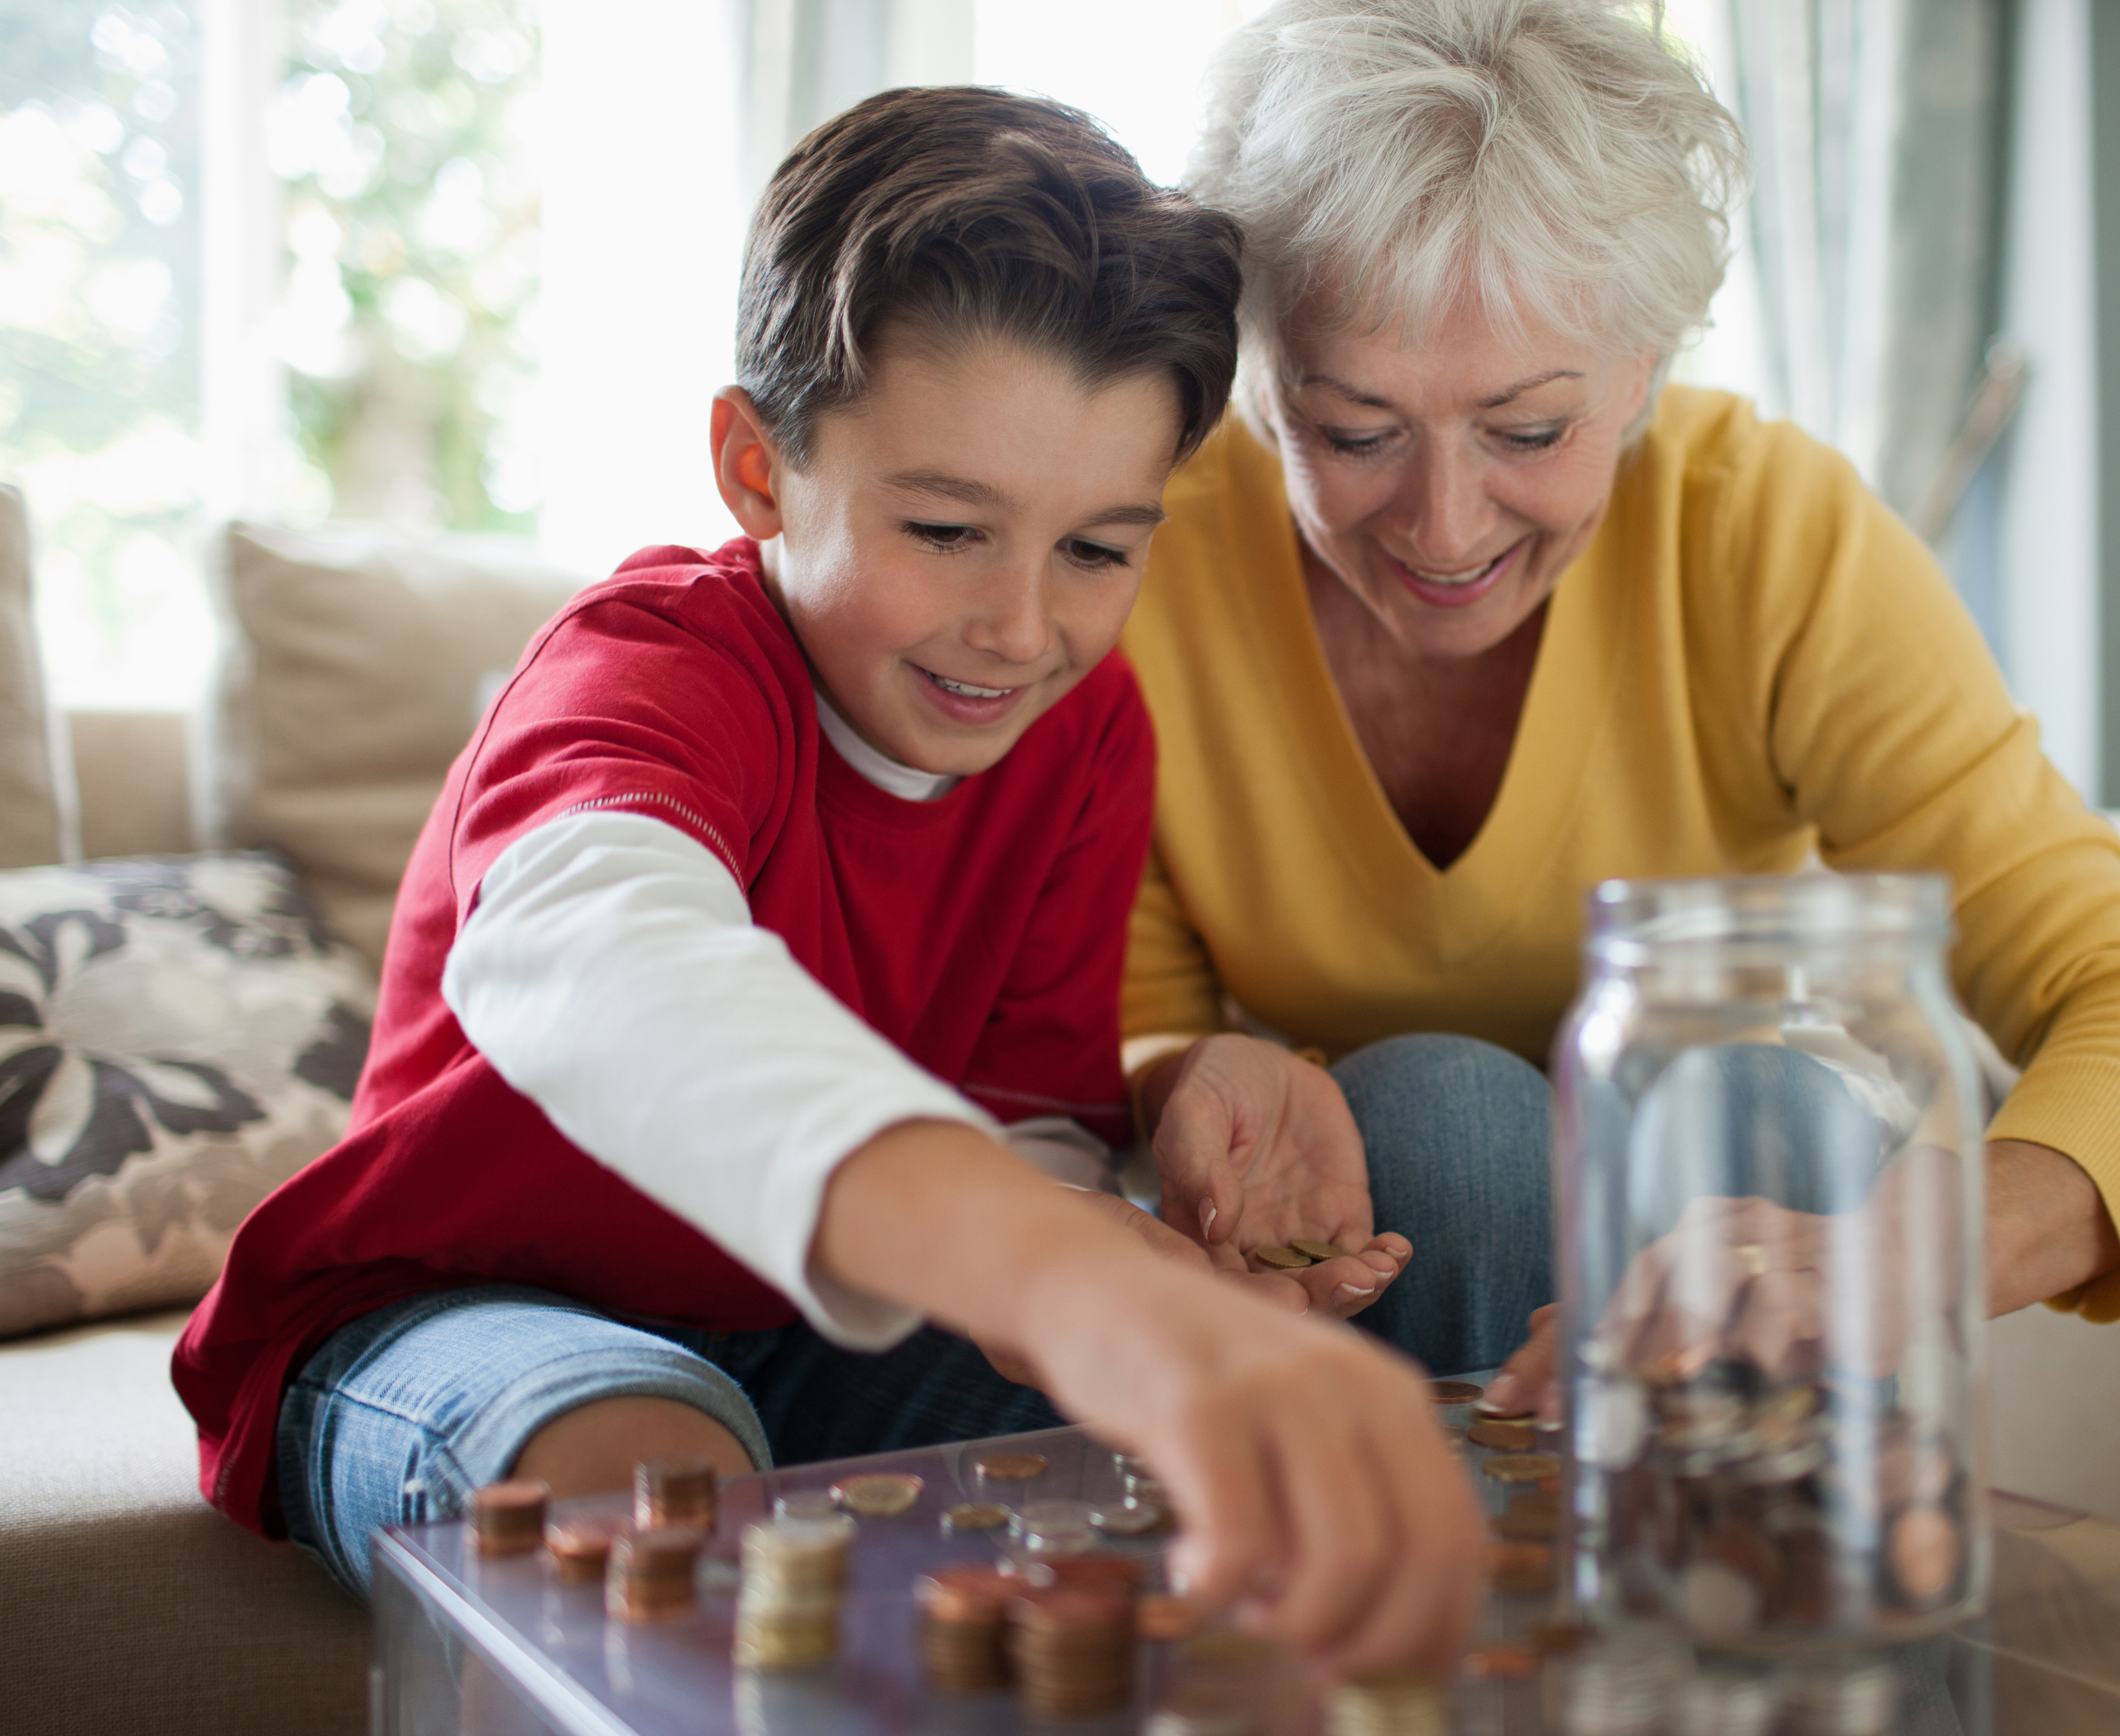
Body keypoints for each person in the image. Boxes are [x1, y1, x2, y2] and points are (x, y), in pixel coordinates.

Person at [172, 87, 1482, 1675]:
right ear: (754, 467)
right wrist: (1051, 1274)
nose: (1019, 627)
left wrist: (1111, 1239)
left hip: (806, 1334)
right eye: (946, 527)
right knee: (652, 1466)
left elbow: (1022, 1113)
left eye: (1095, 549)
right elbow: (611, 967)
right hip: (458, 1314)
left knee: (1190, 1460)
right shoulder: (644, 676)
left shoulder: (1081, 736)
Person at [1118, 0, 2120, 1407]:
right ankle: (1460, 1598)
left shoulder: (1764, 533)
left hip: (1740, 1154)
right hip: (1411, 1192)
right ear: (1258, 385)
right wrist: (1189, 1077)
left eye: (1529, 431)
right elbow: (1138, 1023)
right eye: (1355, 433)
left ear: (1642, 368)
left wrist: (1919, 1245)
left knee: (1743, 1100)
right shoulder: (1146, 549)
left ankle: (1725, 1602)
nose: (1444, 524)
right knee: (1441, 1115)